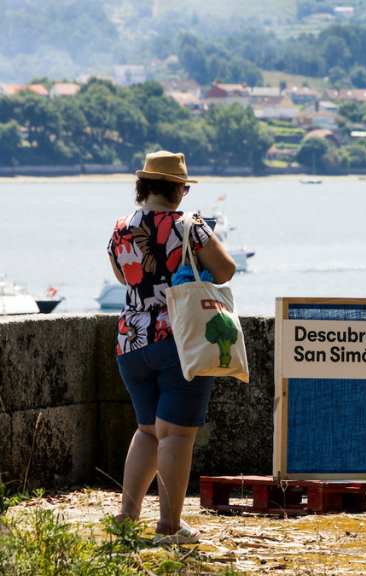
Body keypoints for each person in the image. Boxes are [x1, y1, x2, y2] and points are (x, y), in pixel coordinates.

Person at [106, 151, 236, 544]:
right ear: (178, 190)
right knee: (177, 436)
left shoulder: (120, 228)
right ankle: (168, 525)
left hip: (131, 340)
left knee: (147, 430)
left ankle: (127, 518)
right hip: (180, 339)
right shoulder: (189, 226)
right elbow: (226, 269)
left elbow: (122, 275)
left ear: (143, 185)